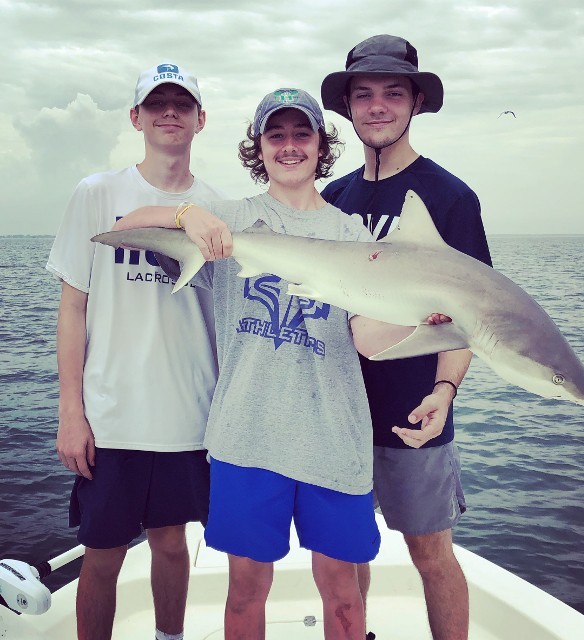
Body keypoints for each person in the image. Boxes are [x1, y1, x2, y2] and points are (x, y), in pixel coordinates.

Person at [112, 87, 425, 640]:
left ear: (320, 145)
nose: (288, 146)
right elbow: (126, 223)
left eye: (301, 133)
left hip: (334, 439)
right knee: (244, 596)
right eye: (275, 134)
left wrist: (427, 316)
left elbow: (368, 339)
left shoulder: (351, 235)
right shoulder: (227, 221)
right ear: (258, 146)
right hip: (247, 436)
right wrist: (188, 215)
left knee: (345, 598)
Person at [320, 35, 493, 640]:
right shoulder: (332, 201)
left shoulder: (450, 198)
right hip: (338, 413)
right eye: (363, 94)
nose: (377, 106)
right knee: (346, 559)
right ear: (347, 107)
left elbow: (470, 317)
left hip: (412, 412)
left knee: (432, 558)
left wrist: (445, 391)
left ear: (416, 101)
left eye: (393, 93)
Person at [46, 63, 226, 640]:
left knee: (172, 544)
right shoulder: (96, 193)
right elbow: (72, 308)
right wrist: (71, 413)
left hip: (190, 415)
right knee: (101, 556)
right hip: (111, 415)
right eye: (156, 104)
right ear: (135, 117)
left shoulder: (222, 209)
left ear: (202, 119)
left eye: (181, 104)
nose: (168, 113)